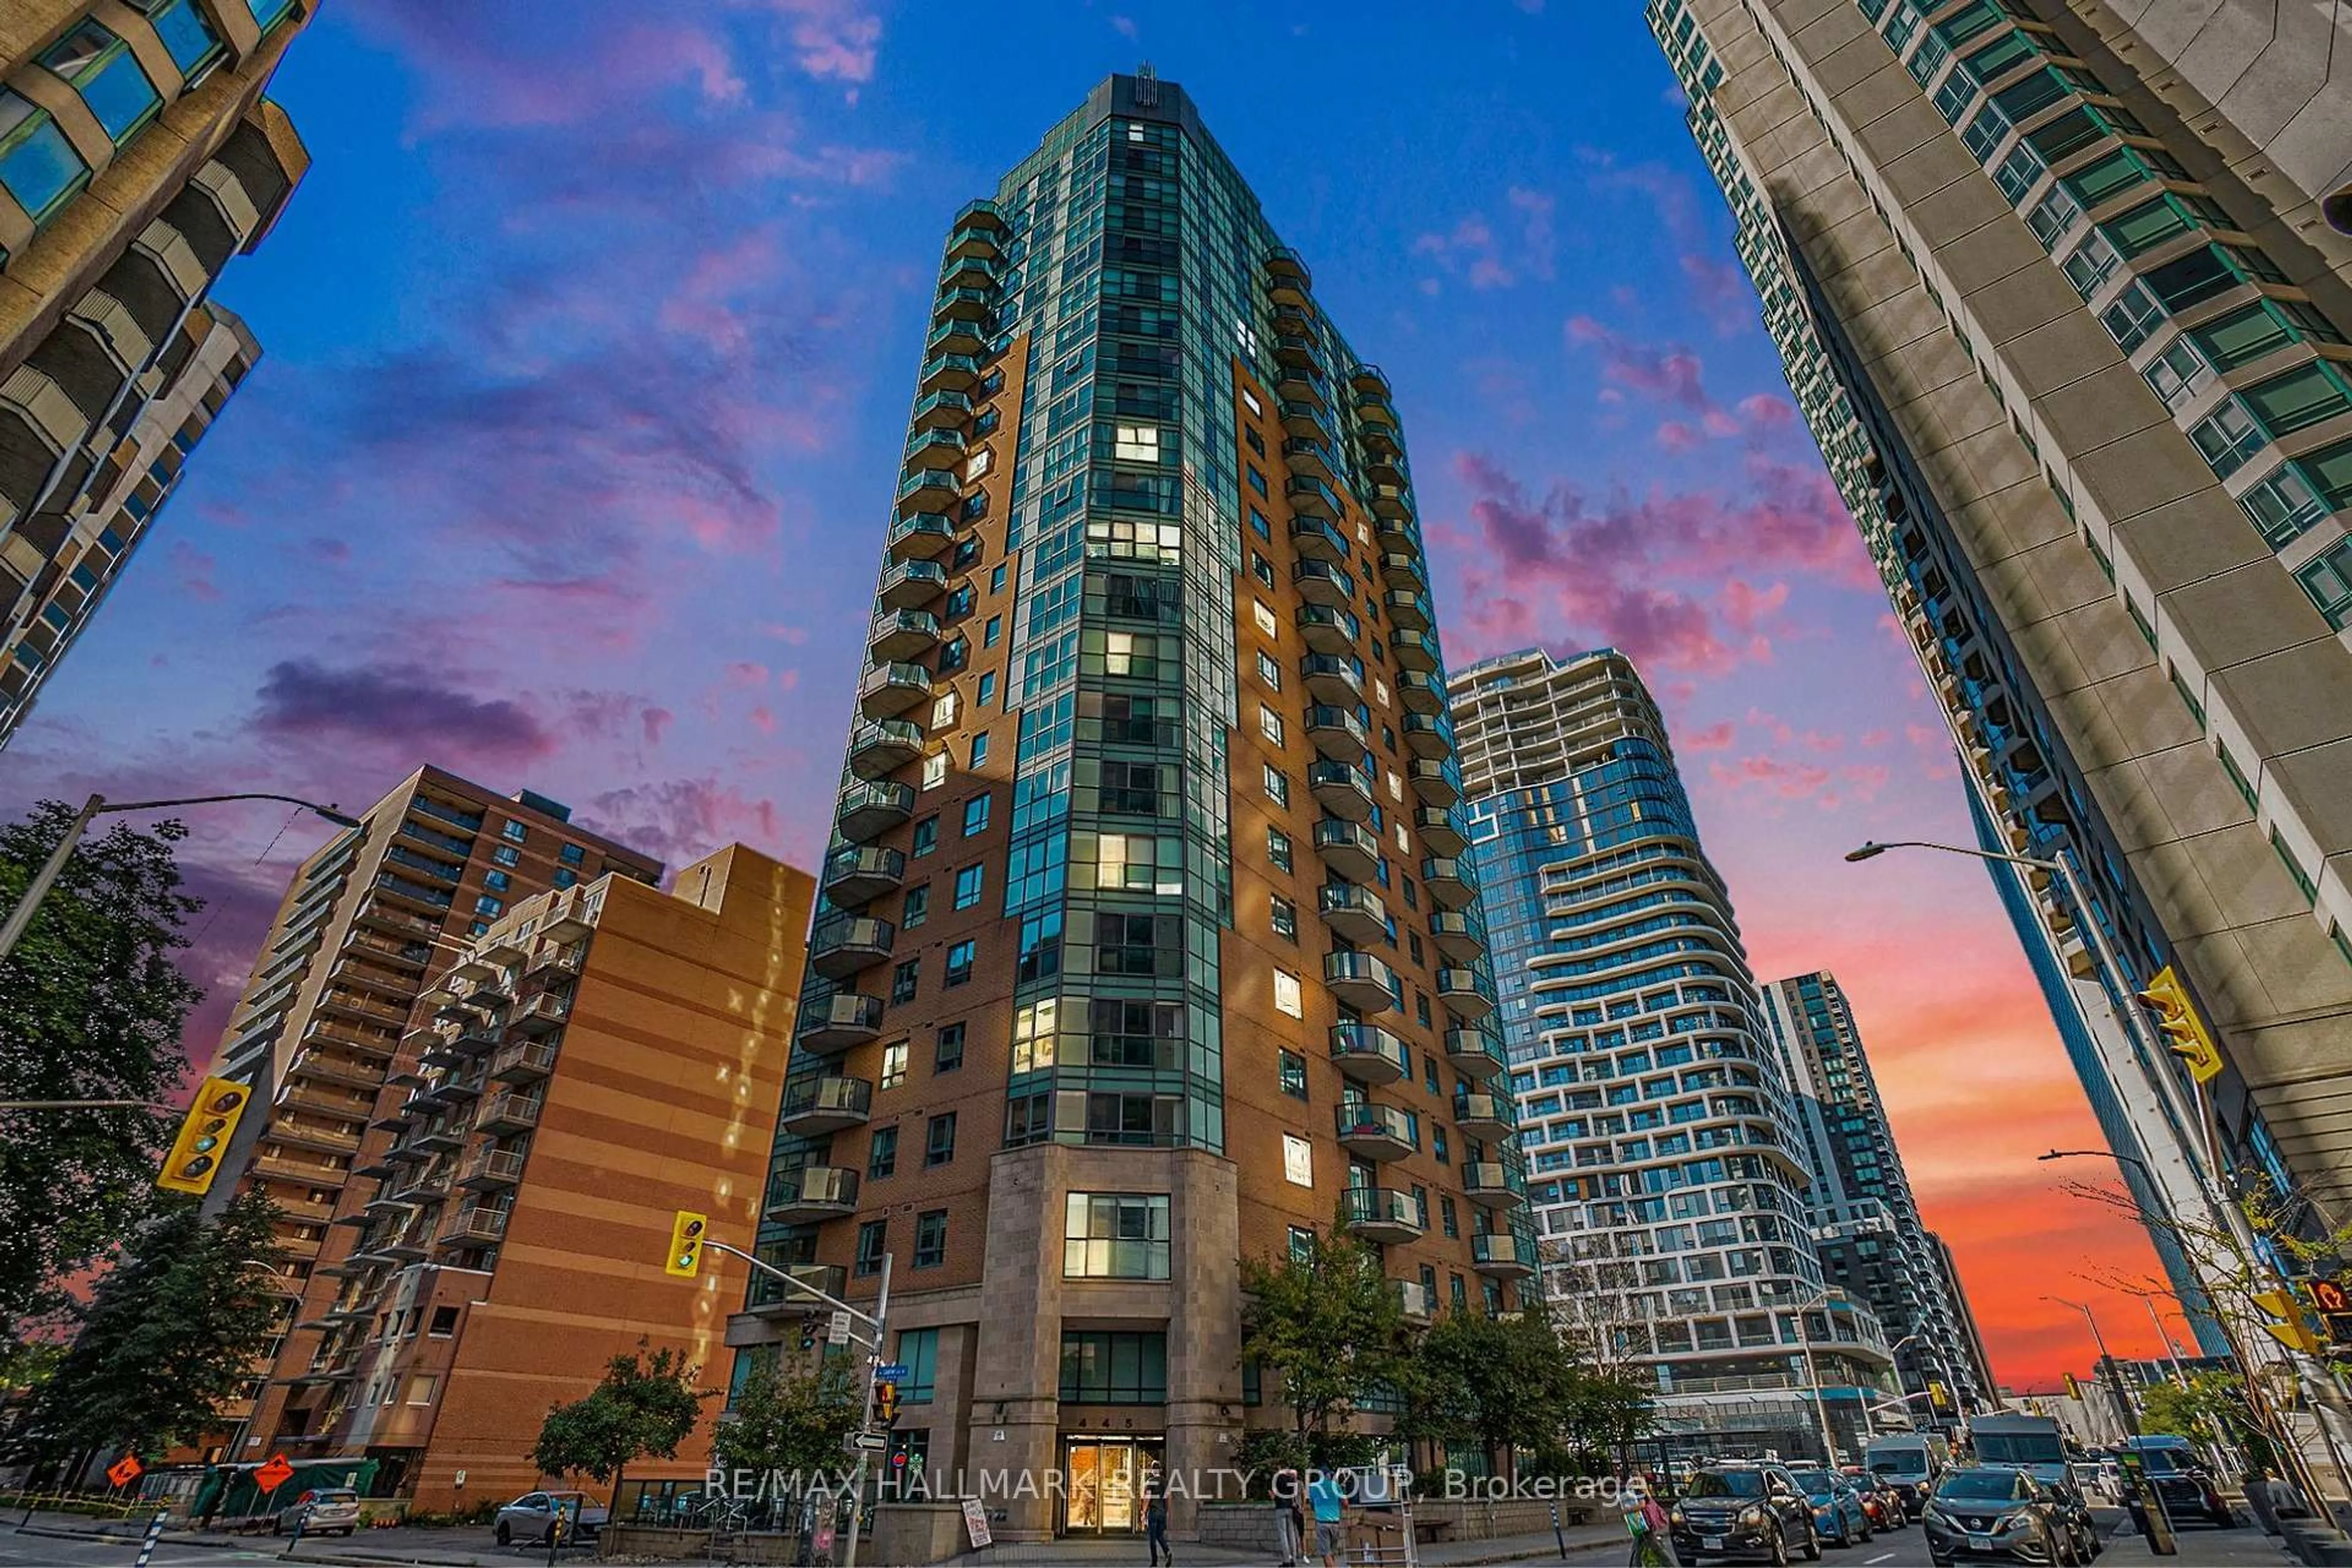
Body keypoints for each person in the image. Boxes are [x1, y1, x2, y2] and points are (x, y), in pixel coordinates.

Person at [1622, 1476, 1678, 1567]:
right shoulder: (1643, 1490)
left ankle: (1669, 1565)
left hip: (1644, 1522)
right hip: (1643, 1522)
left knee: (1654, 1547)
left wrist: (1628, 1510)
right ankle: (1635, 1565)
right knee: (1638, 1546)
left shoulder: (1639, 1491)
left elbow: (1642, 1505)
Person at [1307, 1469, 1346, 1568]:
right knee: (1331, 1553)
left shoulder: (1313, 1487)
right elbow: (1345, 1503)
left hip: (1322, 1523)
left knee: (1326, 1553)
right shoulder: (1336, 1486)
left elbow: (1312, 1505)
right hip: (1335, 1523)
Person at [1271, 1466, 1303, 1566]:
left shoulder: (1276, 1479)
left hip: (1280, 1507)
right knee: (1292, 1534)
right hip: (1290, 1508)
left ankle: (1286, 1560)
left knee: (1283, 1534)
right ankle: (1294, 1559)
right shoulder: (1292, 1479)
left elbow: (1273, 1495)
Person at [1145, 1488, 1172, 1567]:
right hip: (1162, 1513)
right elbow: (1169, 1497)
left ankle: (1154, 1561)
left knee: (1152, 1537)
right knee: (1159, 1535)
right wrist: (1167, 1510)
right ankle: (1167, 1551)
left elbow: (1148, 1497)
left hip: (1153, 1512)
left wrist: (1144, 1511)